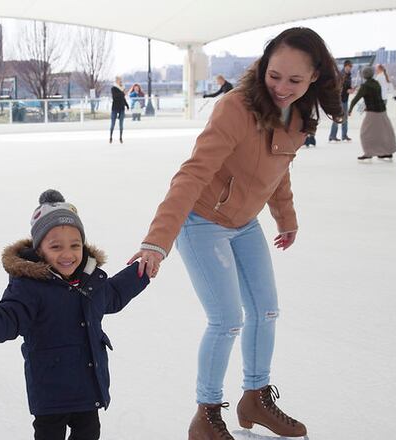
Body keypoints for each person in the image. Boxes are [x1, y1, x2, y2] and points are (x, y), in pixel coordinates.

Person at [129, 27, 343, 440]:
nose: (282, 87)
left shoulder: (298, 115)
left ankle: (255, 398)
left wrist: (287, 219)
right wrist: (157, 239)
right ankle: (206, 414)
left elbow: (277, 171)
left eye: (295, 80)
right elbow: (192, 174)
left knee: (266, 312)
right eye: (274, 74)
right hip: (202, 222)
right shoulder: (235, 108)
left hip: (244, 224)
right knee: (227, 320)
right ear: (264, 66)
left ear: (314, 76)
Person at [0, 189, 150, 440]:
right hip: (51, 393)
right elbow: (10, 315)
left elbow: (112, 294)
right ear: (40, 250)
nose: (67, 254)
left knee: (90, 433)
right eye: (56, 246)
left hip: (88, 388)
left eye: (75, 245)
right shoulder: (29, 287)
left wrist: (140, 272)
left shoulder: (91, 281)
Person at [349, 66, 396, 162]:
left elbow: (356, 99)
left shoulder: (365, 86)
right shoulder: (376, 84)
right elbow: (377, 97)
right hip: (382, 111)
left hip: (373, 112)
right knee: (385, 132)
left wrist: (350, 109)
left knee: (365, 133)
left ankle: (369, 153)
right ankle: (387, 152)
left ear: (364, 75)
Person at [329, 59, 354, 143]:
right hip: (339, 99)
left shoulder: (349, 75)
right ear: (345, 66)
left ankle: (344, 135)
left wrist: (350, 90)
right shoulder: (341, 75)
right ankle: (332, 136)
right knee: (337, 117)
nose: (350, 68)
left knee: (345, 118)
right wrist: (346, 91)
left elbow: (347, 86)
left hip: (345, 99)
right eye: (349, 67)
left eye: (351, 67)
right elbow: (338, 87)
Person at [109, 76, 129, 144]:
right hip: (115, 108)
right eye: (119, 80)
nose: (120, 81)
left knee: (121, 124)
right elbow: (115, 97)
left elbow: (123, 98)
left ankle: (120, 137)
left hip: (121, 108)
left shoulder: (122, 88)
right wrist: (123, 93)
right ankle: (110, 137)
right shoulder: (113, 88)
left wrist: (126, 105)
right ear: (116, 80)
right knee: (113, 124)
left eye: (121, 80)